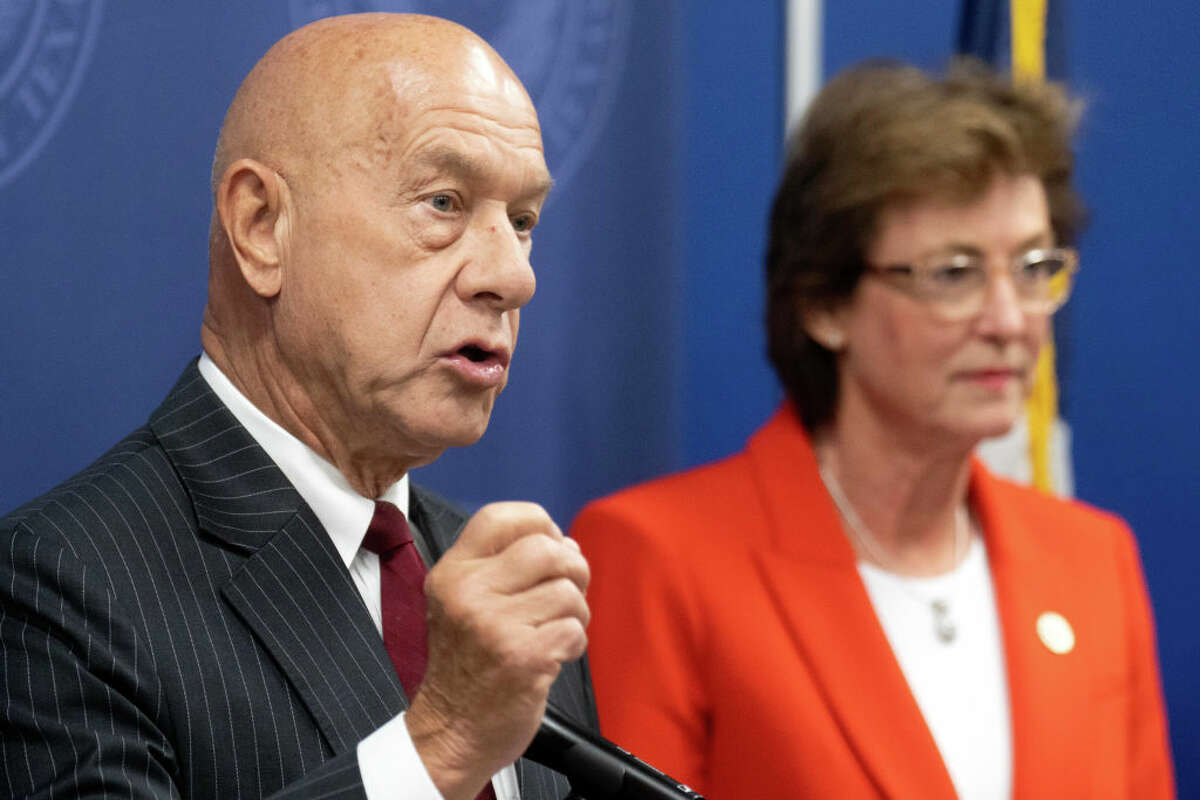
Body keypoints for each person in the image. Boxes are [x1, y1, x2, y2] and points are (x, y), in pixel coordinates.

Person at [0, 13, 595, 800]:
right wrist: (440, 747)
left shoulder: (498, 592)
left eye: (522, 222)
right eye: (445, 202)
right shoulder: (54, 586)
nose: (513, 277)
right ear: (261, 227)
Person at [572, 60, 1175, 799]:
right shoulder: (658, 559)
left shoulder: (1092, 561)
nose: (1011, 321)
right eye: (954, 274)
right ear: (825, 304)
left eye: (1031, 266)